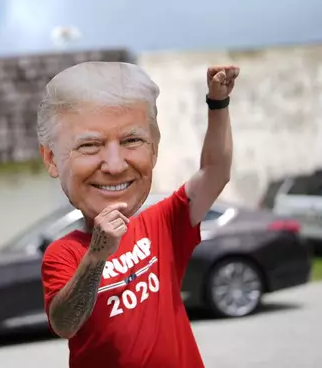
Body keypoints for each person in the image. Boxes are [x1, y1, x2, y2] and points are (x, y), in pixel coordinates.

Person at [39, 61, 238, 368]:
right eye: (91, 145)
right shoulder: (62, 254)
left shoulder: (164, 223)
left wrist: (218, 103)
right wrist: (96, 255)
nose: (115, 165)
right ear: (52, 159)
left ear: (153, 149)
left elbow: (215, 171)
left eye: (131, 141)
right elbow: (65, 324)